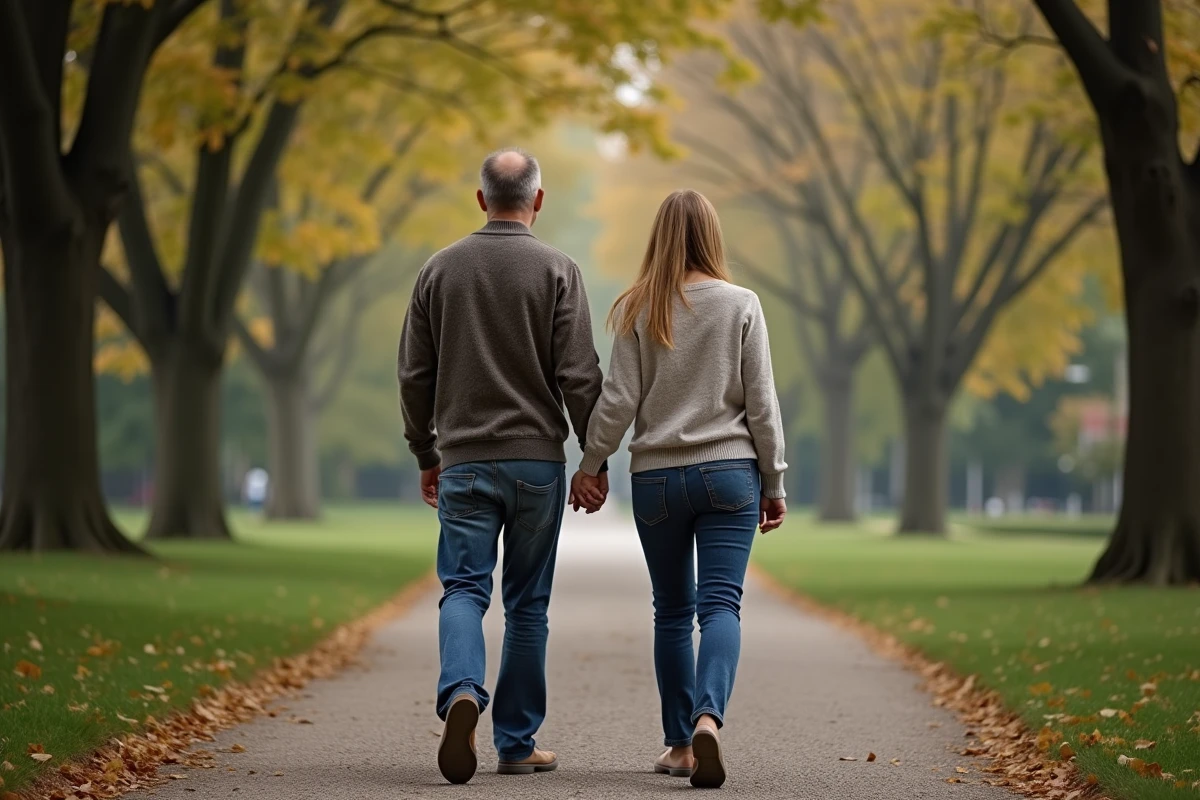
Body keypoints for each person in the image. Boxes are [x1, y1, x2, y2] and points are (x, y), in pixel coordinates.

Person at [397, 147, 607, 785]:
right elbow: (579, 375)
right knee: (527, 605)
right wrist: (592, 459)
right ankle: (516, 743)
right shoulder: (559, 270)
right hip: (536, 465)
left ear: (481, 198)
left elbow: (414, 374)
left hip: (463, 462)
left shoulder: (439, 270)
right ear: (537, 200)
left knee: (463, 589)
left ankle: (462, 690)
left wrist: (425, 450)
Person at [572, 189, 787, 789]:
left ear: (658, 236)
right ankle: (708, 720)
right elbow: (762, 403)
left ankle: (679, 747)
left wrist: (591, 464)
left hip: (657, 479)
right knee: (721, 605)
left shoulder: (640, 307)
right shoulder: (742, 304)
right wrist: (774, 480)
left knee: (672, 609)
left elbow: (617, 401)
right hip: (729, 475)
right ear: (713, 237)